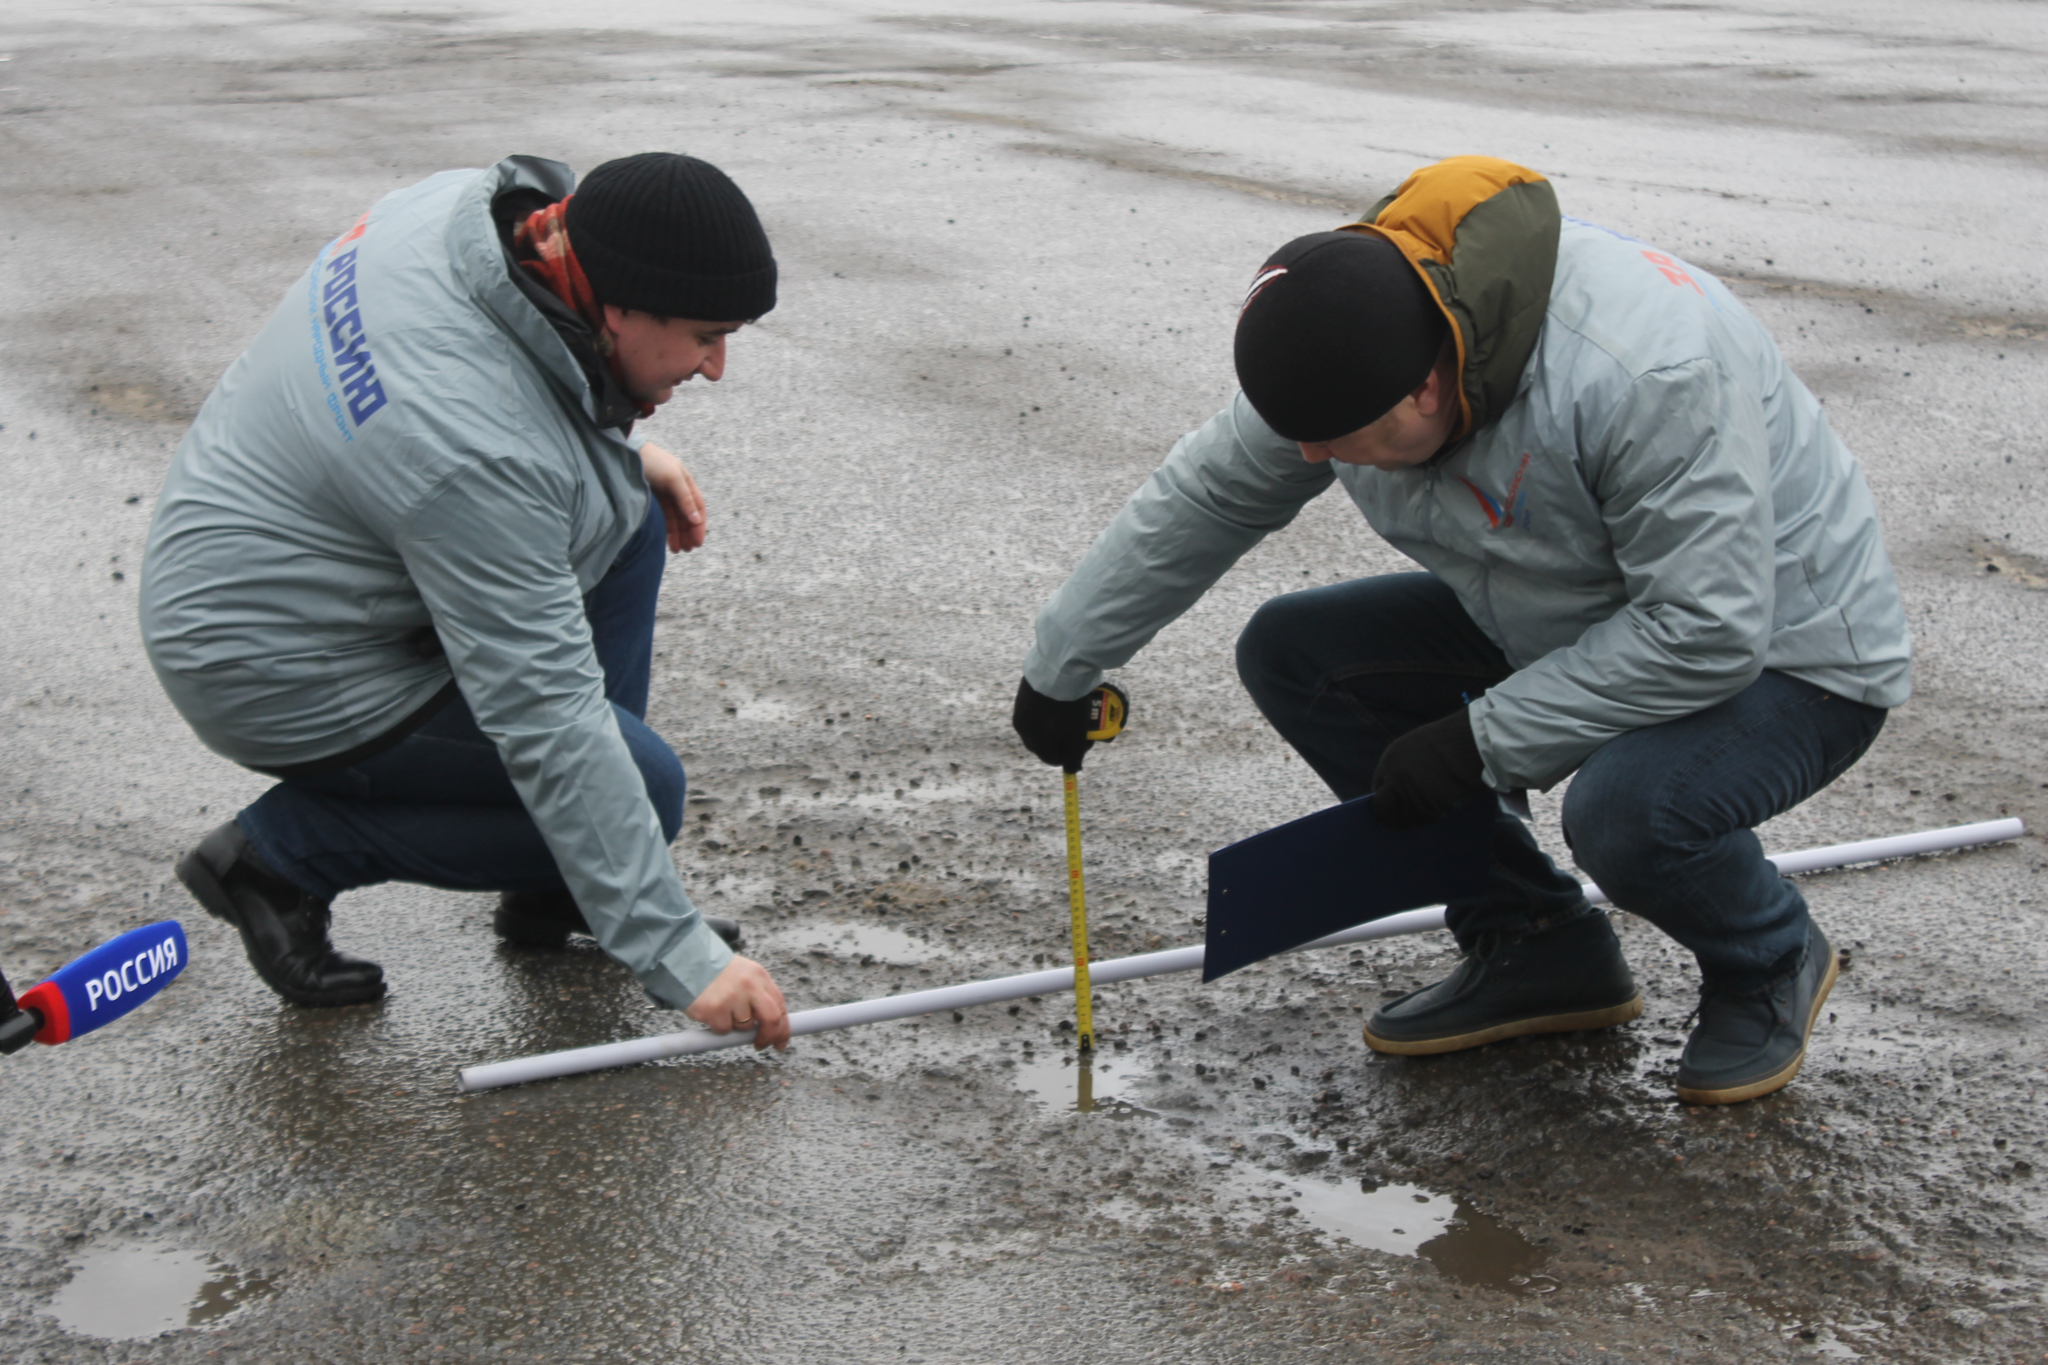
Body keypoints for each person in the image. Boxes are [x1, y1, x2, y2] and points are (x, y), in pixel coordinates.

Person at [1011, 156, 1909, 1105]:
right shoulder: (1349, 342)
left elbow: (1705, 628)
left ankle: (1768, 955)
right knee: (1299, 655)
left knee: (1625, 812)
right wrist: (1063, 664)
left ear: (1428, 390)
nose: (1309, 455)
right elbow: (1206, 495)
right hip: (1577, 609)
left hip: (1786, 652)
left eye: (1332, 437)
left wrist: (1480, 741)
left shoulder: (1645, 371)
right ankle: (1536, 943)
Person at [141, 152, 791, 1048]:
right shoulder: (474, 458)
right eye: (705, 335)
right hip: (268, 661)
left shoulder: (469, 211)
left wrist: (615, 461)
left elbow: (476, 408)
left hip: (269, 546)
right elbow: (546, 712)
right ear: (618, 303)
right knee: (647, 789)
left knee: (626, 512)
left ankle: (558, 889)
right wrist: (673, 947)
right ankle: (280, 857)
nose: (715, 367)